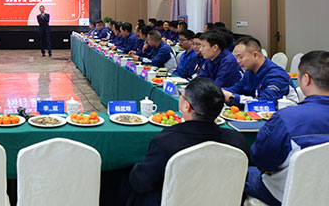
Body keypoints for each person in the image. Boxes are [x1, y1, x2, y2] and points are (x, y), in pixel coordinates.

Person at [116, 77, 249, 206]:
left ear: (187, 106)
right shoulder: (237, 140)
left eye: (182, 95)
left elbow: (141, 182)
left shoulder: (166, 141)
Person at [245, 51, 329, 206]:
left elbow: (262, 161)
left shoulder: (286, 118)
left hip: (289, 194)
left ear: (306, 79)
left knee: (238, 171)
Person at [223, 36, 298, 108]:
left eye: (240, 57)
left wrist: (233, 98)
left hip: (283, 114)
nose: (238, 61)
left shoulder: (277, 75)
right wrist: (220, 92)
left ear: (255, 55)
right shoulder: (250, 71)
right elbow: (237, 88)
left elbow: (266, 103)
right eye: (236, 57)